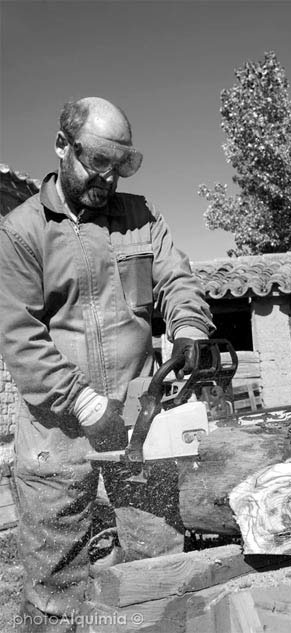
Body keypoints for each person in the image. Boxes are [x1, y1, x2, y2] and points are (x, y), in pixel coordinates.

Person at [0, 97, 214, 631]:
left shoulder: (140, 217)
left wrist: (188, 326)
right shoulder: (22, 231)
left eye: (119, 167)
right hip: (57, 431)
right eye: (97, 162)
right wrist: (80, 399)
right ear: (62, 147)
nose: (109, 179)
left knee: (160, 565)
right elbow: (19, 334)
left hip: (140, 425)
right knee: (57, 588)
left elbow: (176, 281)